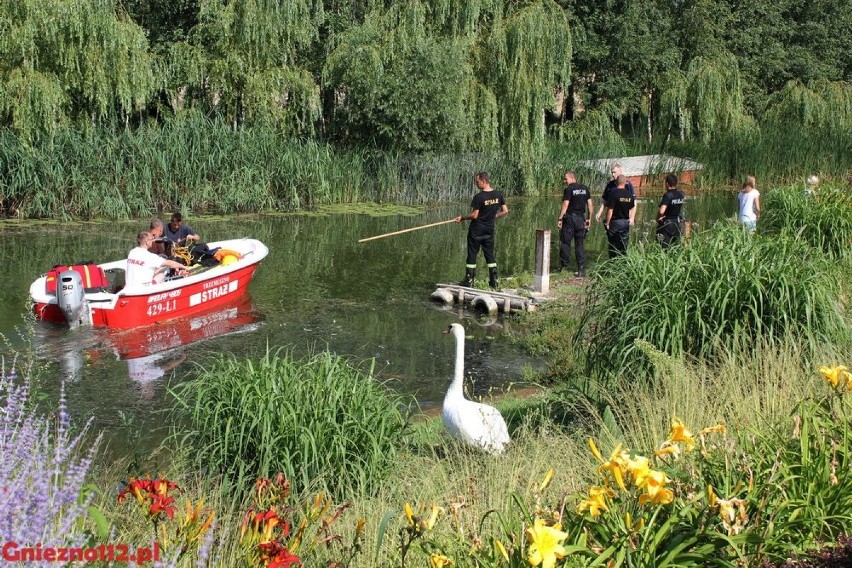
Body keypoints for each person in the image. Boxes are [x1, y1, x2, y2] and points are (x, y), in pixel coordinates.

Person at [454, 172, 509, 289]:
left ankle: (469, 280)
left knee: (472, 254)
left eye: (477, 181)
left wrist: (462, 218)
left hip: (476, 230)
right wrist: (493, 216)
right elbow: (505, 211)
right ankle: (494, 281)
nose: (475, 183)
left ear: (484, 181)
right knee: (489, 254)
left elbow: (474, 216)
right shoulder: (498, 194)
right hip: (489, 230)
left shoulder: (479, 197)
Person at [556, 171, 593, 277]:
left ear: (572, 178)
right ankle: (581, 269)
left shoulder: (569, 189)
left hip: (570, 219)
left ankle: (564, 266)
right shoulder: (585, 188)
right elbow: (590, 205)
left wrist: (560, 219)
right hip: (581, 219)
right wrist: (589, 219)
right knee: (579, 244)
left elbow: (565, 205)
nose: (564, 181)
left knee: (565, 242)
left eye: (565, 179)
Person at [604, 175, 635, 257]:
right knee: (623, 246)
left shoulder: (613, 194)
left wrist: (607, 223)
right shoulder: (629, 195)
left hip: (614, 223)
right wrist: (631, 218)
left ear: (617, 182)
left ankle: (612, 264)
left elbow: (610, 210)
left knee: (613, 246)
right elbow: (632, 208)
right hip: (625, 223)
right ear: (625, 183)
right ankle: (622, 264)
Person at [656, 174, 686, 249]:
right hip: (677, 224)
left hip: (667, 224)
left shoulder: (668, 195)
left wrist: (657, 218)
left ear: (667, 183)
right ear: (676, 183)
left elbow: (661, 211)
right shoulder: (681, 195)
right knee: (675, 247)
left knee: (664, 248)